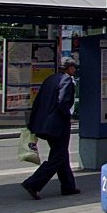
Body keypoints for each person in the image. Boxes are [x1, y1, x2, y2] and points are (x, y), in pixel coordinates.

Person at [22, 57, 80, 199]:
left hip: (45, 124)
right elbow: (62, 102)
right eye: (74, 67)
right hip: (58, 125)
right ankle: (33, 183)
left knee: (61, 155)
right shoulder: (66, 80)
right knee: (57, 157)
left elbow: (39, 101)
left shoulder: (50, 79)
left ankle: (68, 186)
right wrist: (68, 115)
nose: (75, 69)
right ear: (69, 68)